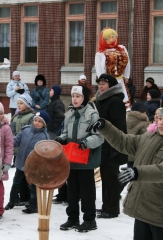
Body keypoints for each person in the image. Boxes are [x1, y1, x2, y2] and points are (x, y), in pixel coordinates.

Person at [88, 103, 163, 240]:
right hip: (142, 205)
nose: (161, 123)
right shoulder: (148, 137)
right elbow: (123, 141)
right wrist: (105, 127)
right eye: (160, 119)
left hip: (159, 209)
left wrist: (137, 172)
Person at [55, 85, 104, 233]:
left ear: (85, 97)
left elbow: (99, 136)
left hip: (85, 160)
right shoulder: (69, 113)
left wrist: (86, 143)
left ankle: (89, 220)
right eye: (73, 96)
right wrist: (61, 139)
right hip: (71, 159)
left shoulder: (92, 114)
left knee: (86, 191)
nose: (75, 99)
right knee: (72, 191)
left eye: (78, 96)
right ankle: (73, 218)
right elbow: (65, 132)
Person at [94, 74, 126, 219]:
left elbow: (119, 126)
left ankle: (112, 209)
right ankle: (106, 206)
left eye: (104, 84)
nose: (100, 86)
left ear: (111, 86)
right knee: (105, 177)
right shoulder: (100, 100)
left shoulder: (115, 101)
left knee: (111, 178)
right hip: (103, 144)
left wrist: (115, 147)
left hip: (112, 145)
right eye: (99, 84)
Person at [9, 111, 51, 214]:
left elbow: (44, 154)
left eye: (40, 121)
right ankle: (13, 200)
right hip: (20, 162)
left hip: (33, 166)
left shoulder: (45, 137)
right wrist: (8, 142)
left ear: (44, 124)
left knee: (33, 186)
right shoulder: (26, 130)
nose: (36, 123)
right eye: (35, 120)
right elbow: (16, 141)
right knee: (16, 182)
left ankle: (34, 206)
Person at [6, 93, 35, 208]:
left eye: (21, 103)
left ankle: (27, 198)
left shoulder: (31, 117)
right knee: (19, 176)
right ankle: (20, 198)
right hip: (17, 149)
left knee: (26, 176)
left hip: (27, 151)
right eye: (17, 103)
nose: (18, 105)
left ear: (27, 104)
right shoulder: (16, 116)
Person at [95, 27, 132, 109]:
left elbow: (128, 62)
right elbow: (100, 71)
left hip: (121, 81)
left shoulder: (122, 49)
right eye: (107, 38)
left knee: (123, 103)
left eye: (113, 37)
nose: (111, 40)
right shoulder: (100, 54)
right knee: (110, 102)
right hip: (109, 83)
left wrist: (126, 76)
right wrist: (104, 82)